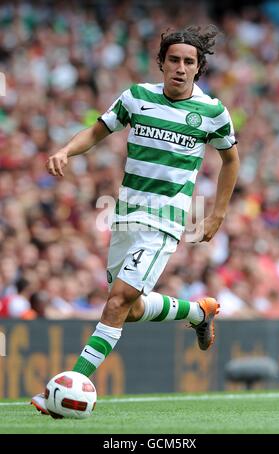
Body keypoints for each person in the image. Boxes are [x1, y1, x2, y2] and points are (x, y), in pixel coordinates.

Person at [31, 25, 239, 414]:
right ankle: (198, 312)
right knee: (133, 307)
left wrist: (218, 214)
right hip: (125, 216)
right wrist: (65, 151)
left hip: (166, 220)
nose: (180, 67)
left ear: (199, 68)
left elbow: (230, 160)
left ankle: (66, 389)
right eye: (173, 59)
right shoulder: (135, 98)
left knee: (117, 302)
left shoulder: (212, 113)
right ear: (161, 63)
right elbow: (96, 131)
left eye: (189, 62)